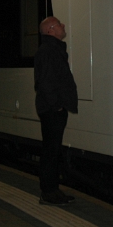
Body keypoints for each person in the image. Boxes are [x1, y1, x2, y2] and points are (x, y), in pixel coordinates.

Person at [33, 16, 78, 206]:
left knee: (53, 150)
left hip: (54, 108)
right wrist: (57, 104)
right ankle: (48, 192)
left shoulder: (52, 49)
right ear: (51, 29)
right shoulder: (48, 51)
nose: (63, 26)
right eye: (59, 24)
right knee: (51, 151)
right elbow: (45, 83)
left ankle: (53, 190)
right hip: (52, 110)